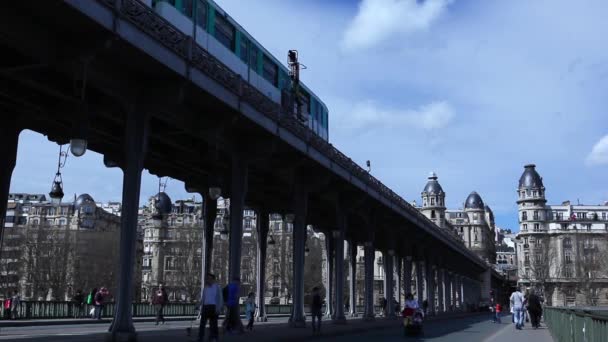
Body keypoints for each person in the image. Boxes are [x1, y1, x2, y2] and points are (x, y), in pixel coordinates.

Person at [198, 273, 223, 342]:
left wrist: (219, 308)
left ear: (213, 280)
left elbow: (220, 298)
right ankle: (200, 337)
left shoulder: (217, 287)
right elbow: (203, 298)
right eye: (207, 279)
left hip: (213, 307)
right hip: (206, 307)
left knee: (213, 324)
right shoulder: (205, 288)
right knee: (202, 324)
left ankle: (214, 337)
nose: (208, 280)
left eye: (209, 279)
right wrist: (199, 305)